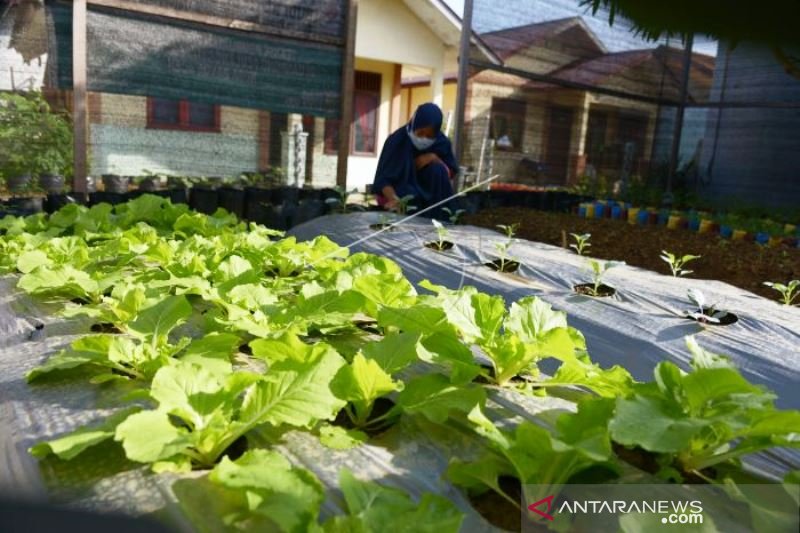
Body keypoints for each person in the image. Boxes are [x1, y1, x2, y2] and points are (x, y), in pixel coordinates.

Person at [372, 102, 458, 218]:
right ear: (414, 123)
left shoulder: (441, 143)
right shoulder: (397, 141)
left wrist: (434, 158)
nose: (424, 138)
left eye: (429, 136)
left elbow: (450, 173)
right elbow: (383, 179)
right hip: (400, 194)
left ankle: (439, 220)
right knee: (410, 196)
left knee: (438, 170)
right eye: (420, 133)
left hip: (431, 198)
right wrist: (394, 199)